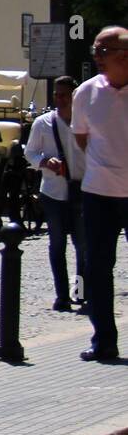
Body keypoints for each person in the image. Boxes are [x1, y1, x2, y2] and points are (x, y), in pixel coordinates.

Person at [71, 26, 128, 362]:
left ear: (124, 57)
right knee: (97, 269)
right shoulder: (85, 93)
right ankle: (104, 340)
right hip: (99, 193)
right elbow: (82, 138)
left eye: (101, 51)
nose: (96, 58)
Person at [24, 75, 86, 311]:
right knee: (57, 244)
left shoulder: (85, 122)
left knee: (83, 246)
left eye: (64, 95)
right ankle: (62, 296)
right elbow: (30, 153)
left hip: (81, 190)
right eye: (56, 95)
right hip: (52, 192)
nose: (59, 99)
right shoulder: (43, 123)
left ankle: (81, 292)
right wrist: (44, 162)